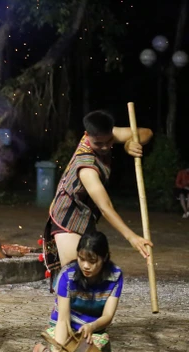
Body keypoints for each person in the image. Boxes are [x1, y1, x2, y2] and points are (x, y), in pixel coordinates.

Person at [42, 111, 153, 286]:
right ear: (86, 136)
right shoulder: (86, 167)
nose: (105, 147)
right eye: (98, 143)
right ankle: (62, 313)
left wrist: (129, 144)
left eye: (109, 141)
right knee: (73, 276)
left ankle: (86, 312)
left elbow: (146, 132)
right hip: (67, 215)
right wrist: (132, 237)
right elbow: (105, 207)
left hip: (86, 214)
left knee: (91, 276)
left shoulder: (106, 135)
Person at [31, 232, 122, 352]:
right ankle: (41, 351)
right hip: (66, 328)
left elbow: (108, 315)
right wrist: (58, 350)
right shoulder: (68, 275)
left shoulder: (115, 276)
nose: (86, 265)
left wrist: (92, 327)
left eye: (92, 260)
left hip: (92, 331)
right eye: (82, 259)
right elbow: (63, 319)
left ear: (105, 257)